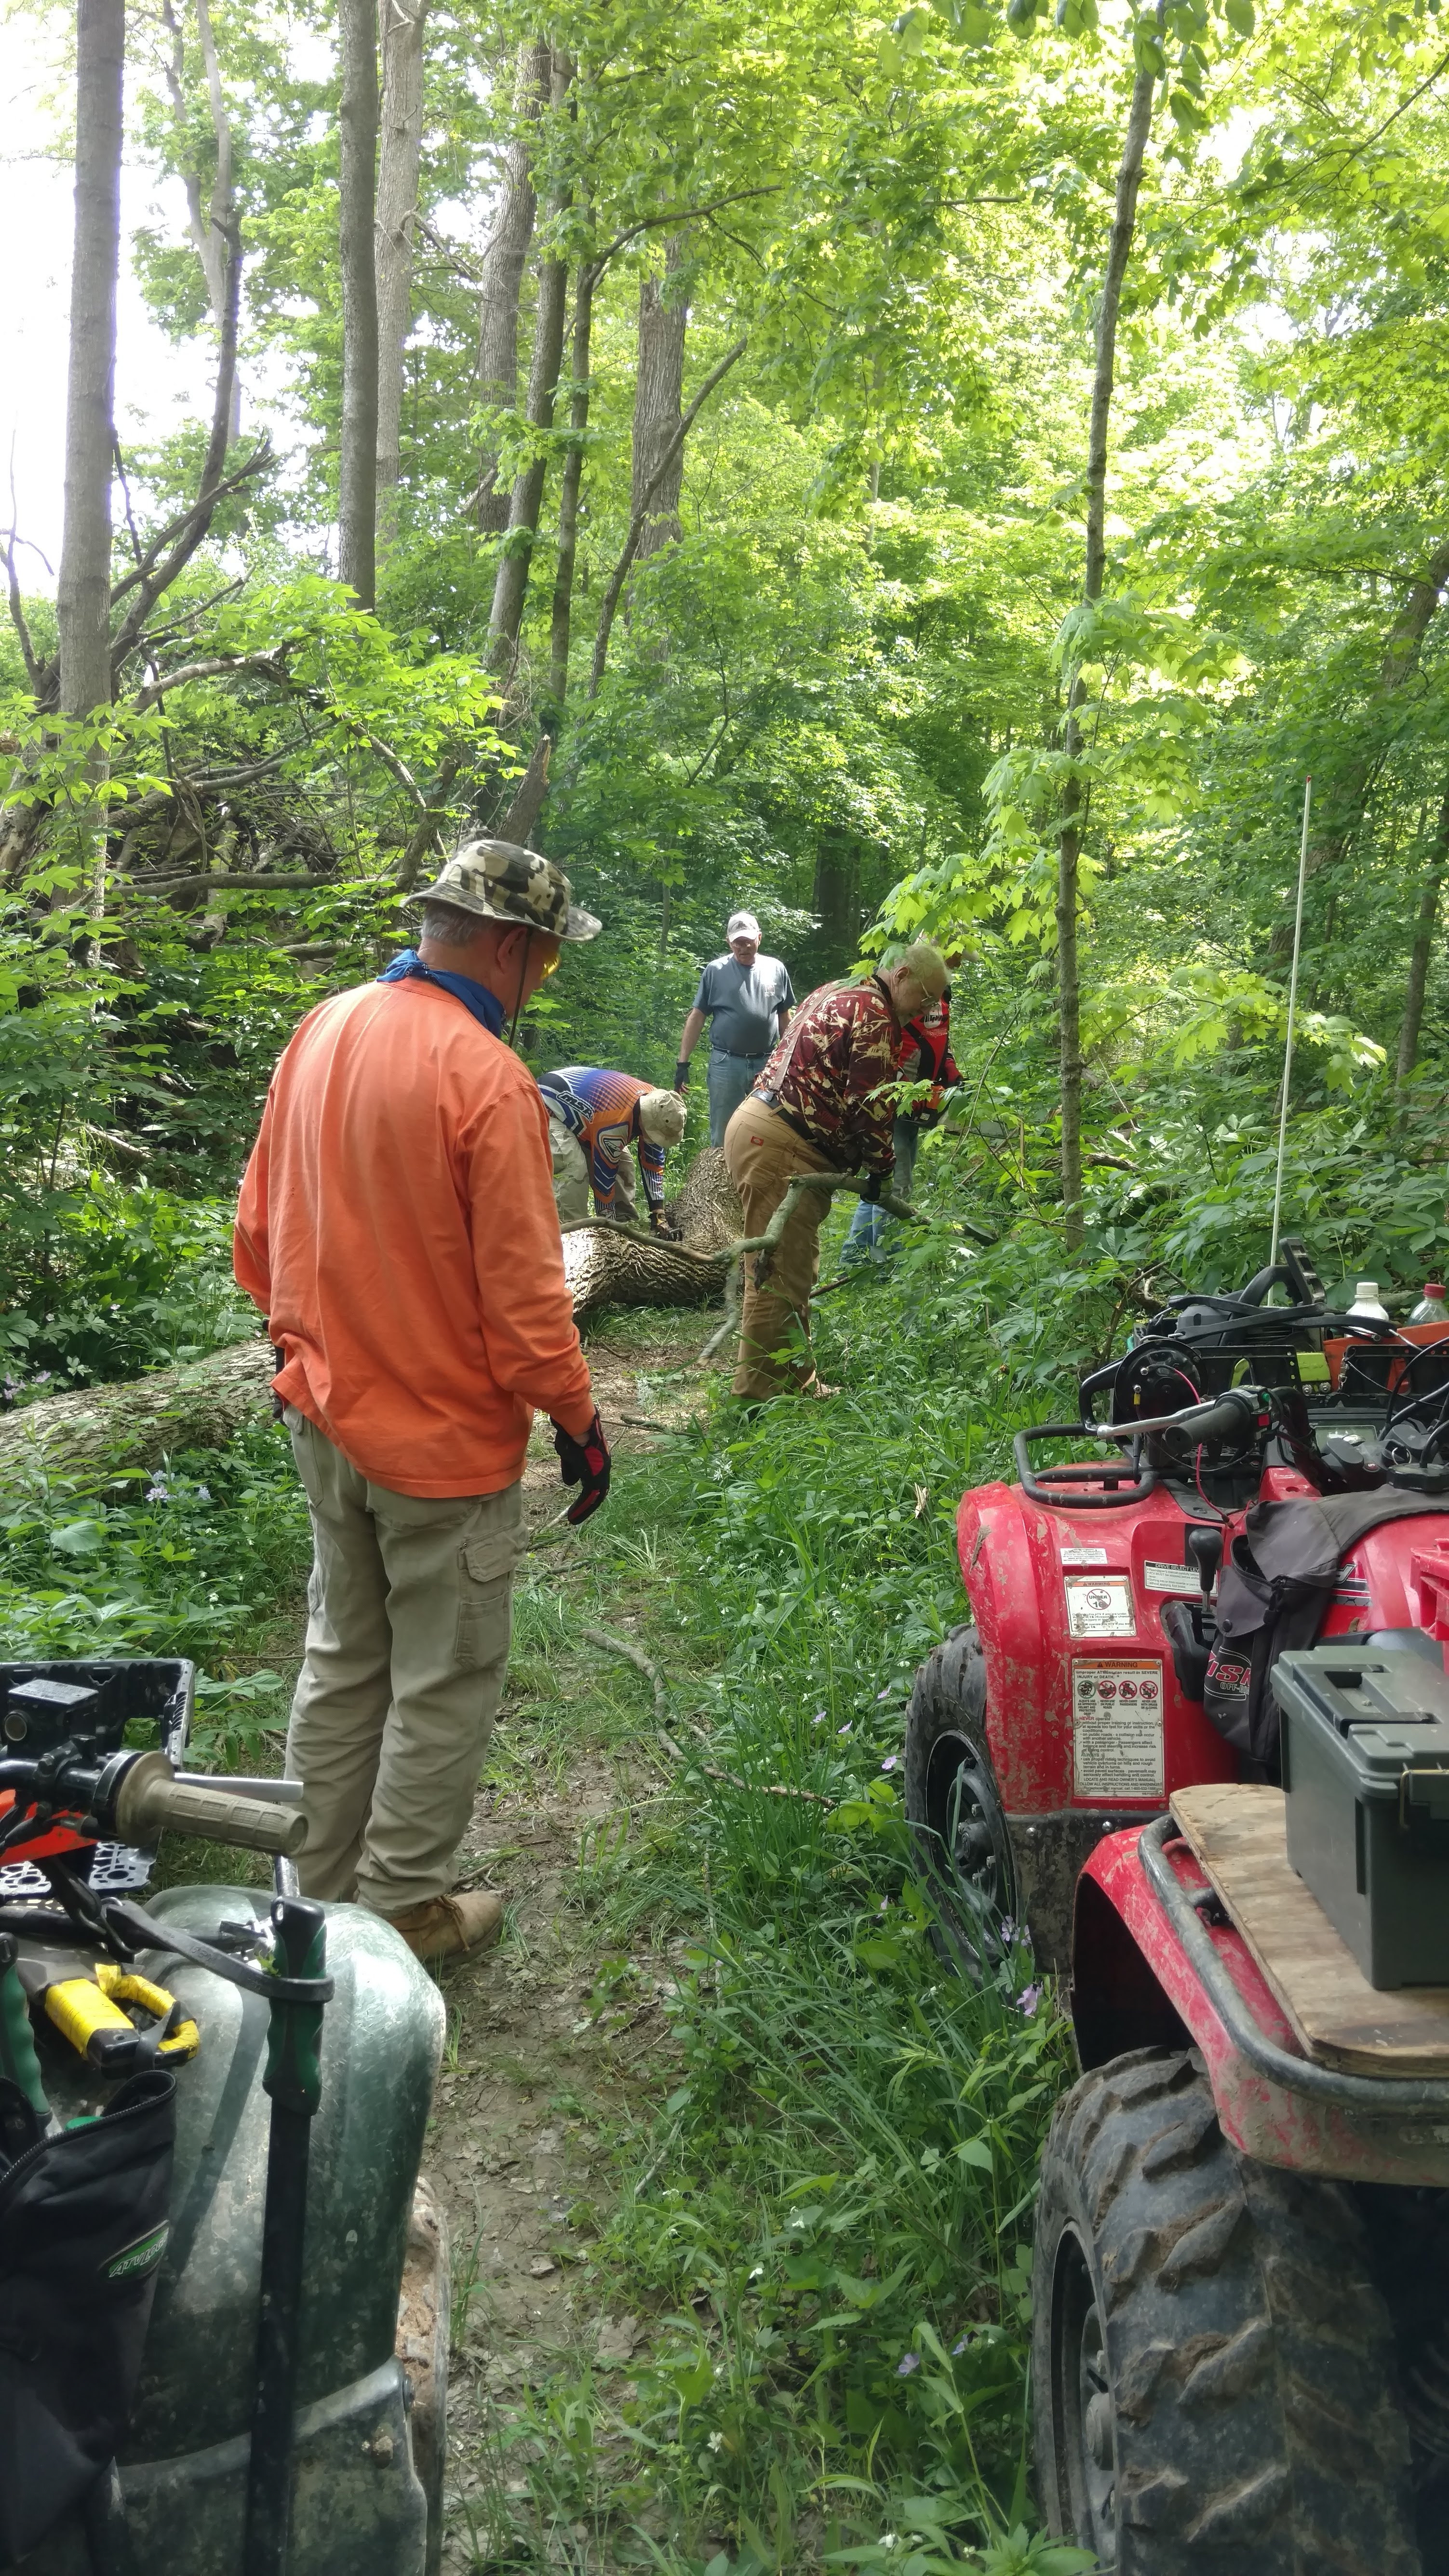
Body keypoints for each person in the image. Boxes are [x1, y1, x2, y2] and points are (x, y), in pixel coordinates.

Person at [233, 839, 613, 1966]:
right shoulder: (485, 1078)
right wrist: (580, 1422)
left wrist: (309, 1344)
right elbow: (526, 1303)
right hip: (440, 1447)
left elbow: (256, 1232)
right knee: (442, 1678)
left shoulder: (323, 1028)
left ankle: (309, 1896)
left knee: (342, 1658)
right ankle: (401, 1911)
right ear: (508, 946)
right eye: (546, 956)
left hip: (321, 1412)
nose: (543, 976)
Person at [722, 942, 949, 1400]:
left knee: (794, 1268)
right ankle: (757, 1402)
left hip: (763, 1127)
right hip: (782, 1144)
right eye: (925, 998)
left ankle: (796, 1383)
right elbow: (869, 1107)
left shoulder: (840, 989)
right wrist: (883, 1170)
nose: (926, 1011)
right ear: (901, 975)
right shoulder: (876, 1015)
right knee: (776, 1278)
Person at [840, 974, 961, 1264]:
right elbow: (886, 1042)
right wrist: (902, 1086)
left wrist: (949, 1070)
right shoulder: (907, 991)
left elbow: (940, 1039)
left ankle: (855, 1256)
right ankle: (888, 1260)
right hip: (897, 1093)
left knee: (881, 1183)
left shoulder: (941, 990)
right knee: (896, 1184)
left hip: (921, 1092)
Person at [674, 912, 795, 1146]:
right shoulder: (716, 971)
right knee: (724, 1131)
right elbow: (697, 1017)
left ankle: (754, 1170)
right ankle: (722, 1169)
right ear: (729, 942)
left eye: (748, 941)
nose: (743, 947)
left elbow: (784, 1016)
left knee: (765, 1130)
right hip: (727, 1065)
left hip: (767, 1063)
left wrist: (789, 1059)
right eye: (737, 942)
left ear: (759, 938)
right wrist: (683, 1063)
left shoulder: (776, 969)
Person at [538, 1068, 687, 1228]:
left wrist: (658, 1213)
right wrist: (607, 1226)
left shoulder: (660, 1106)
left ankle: (626, 1225)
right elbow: (603, 1178)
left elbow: (653, 1163)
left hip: (588, 1115)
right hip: (544, 1104)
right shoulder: (614, 1122)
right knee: (574, 1167)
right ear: (648, 1121)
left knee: (624, 1164)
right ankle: (571, 1231)